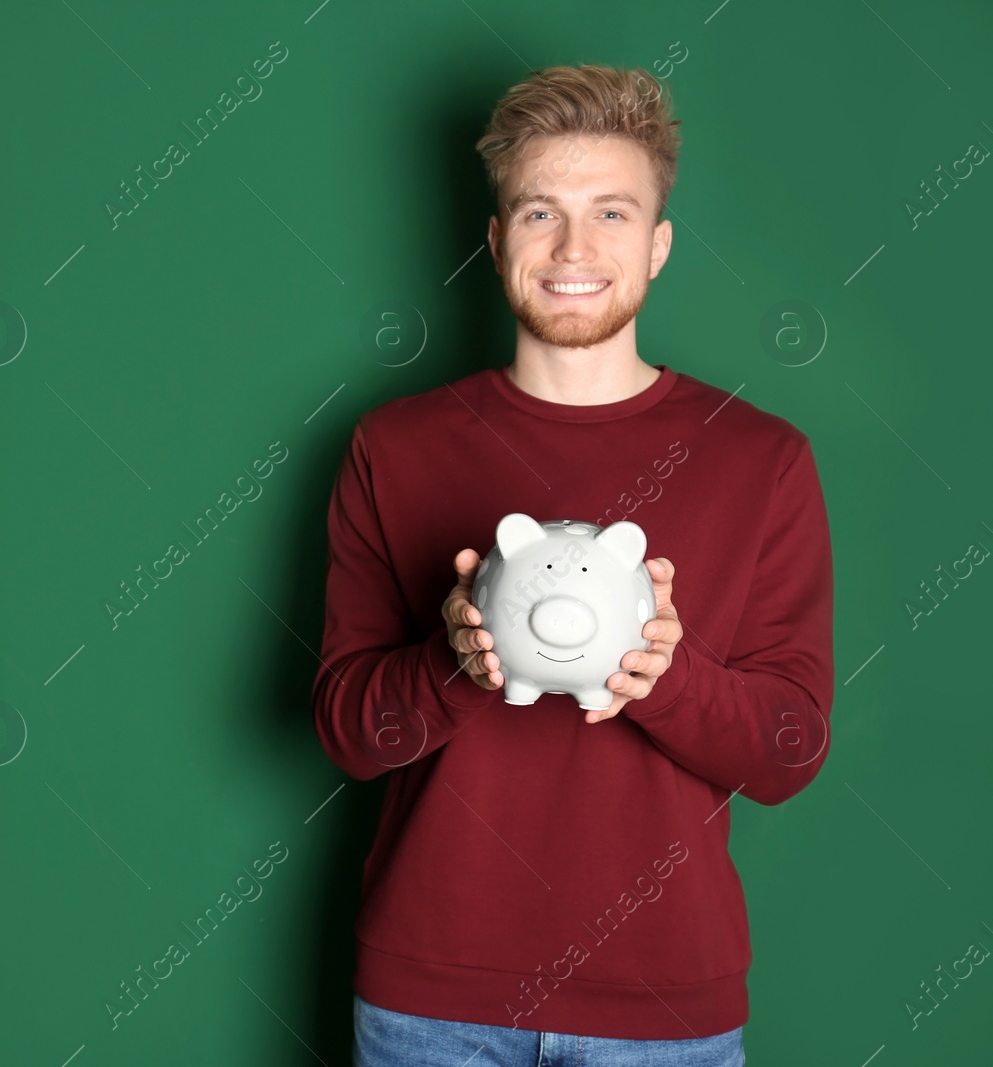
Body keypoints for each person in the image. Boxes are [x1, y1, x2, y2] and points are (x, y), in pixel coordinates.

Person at [312, 64, 834, 1067]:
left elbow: (789, 749)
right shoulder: (396, 444)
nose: (574, 249)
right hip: (432, 1002)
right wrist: (453, 661)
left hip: (664, 1010)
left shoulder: (760, 457)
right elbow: (347, 730)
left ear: (658, 243)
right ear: (498, 238)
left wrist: (663, 677)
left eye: (611, 212)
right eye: (540, 211)